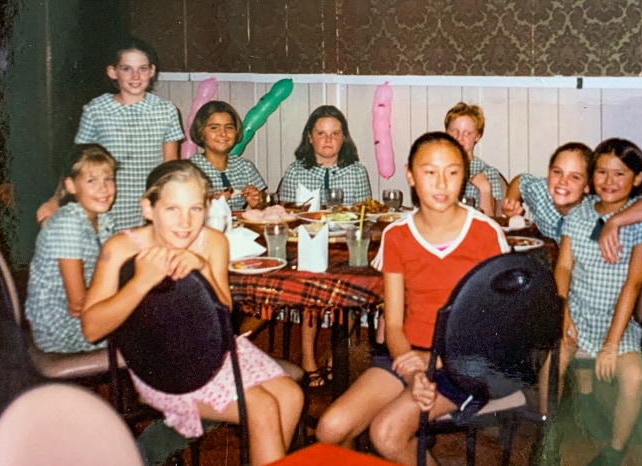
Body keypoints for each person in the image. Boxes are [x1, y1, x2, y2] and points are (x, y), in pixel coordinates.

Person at [80, 160, 303, 466]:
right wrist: (141, 281)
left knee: (292, 396)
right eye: (173, 209)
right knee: (262, 408)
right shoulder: (120, 248)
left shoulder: (213, 241)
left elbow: (224, 312)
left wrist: (204, 269)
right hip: (160, 366)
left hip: (216, 349)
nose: (185, 222)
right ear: (148, 208)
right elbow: (92, 329)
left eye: (196, 209)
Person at [315, 132, 510, 464]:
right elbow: (393, 324)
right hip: (405, 355)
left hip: (466, 365)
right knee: (330, 429)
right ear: (410, 174)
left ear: (464, 175)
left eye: (452, 172)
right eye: (429, 172)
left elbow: (499, 329)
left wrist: (434, 362)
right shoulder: (397, 235)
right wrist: (414, 373)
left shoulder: (485, 233)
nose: (441, 183)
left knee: (386, 434)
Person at [554, 138, 642, 466]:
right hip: (580, 313)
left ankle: (614, 450)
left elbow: (634, 283)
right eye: (601, 172)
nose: (608, 182)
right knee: (553, 360)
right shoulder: (580, 213)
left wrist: (612, 344)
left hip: (618, 320)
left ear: (637, 179)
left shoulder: (640, 221)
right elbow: (564, 266)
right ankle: (549, 434)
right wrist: (564, 313)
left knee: (634, 377)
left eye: (620, 174)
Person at [37, 36, 184, 231]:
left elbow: (170, 166)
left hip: (150, 206)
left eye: (142, 68)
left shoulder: (166, 110)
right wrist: (56, 199)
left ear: (152, 71)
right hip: (107, 205)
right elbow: (77, 162)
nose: (136, 76)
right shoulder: (96, 110)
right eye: (126, 69)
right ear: (112, 72)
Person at [279, 105, 372, 387]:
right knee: (311, 284)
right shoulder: (296, 171)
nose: (328, 139)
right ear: (310, 137)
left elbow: (364, 215)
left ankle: (335, 355)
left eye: (335, 133)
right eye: (321, 133)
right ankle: (308, 358)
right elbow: (286, 214)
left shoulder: (356, 171)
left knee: (356, 285)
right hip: (307, 243)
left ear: (344, 138)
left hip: (344, 246)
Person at [502, 142, 642, 263]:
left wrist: (615, 221)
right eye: (557, 172)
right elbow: (520, 181)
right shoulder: (542, 191)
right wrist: (511, 205)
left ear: (587, 186)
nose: (562, 182)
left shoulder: (597, 208)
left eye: (575, 177)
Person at [25, 144, 116, 353]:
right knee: (149, 330)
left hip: (84, 314)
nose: (103, 188)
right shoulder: (68, 224)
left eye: (108, 179)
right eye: (91, 180)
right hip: (60, 329)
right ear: (71, 186)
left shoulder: (102, 220)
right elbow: (77, 305)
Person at [189, 100, 266, 210]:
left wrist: (257, 203)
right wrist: (211, 205)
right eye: (214, 127)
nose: (223, 133)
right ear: (201, 132)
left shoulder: (245, 167)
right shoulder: (189, 170)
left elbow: (264, 207)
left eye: (229, 127)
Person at [444, 102, 504, 216]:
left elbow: (489, 221)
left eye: (467, 133)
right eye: (454, 131)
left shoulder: (488, 173)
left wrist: (485, 190)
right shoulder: (437, 169)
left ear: (477, 136)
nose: (459, 138)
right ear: (446, 133)